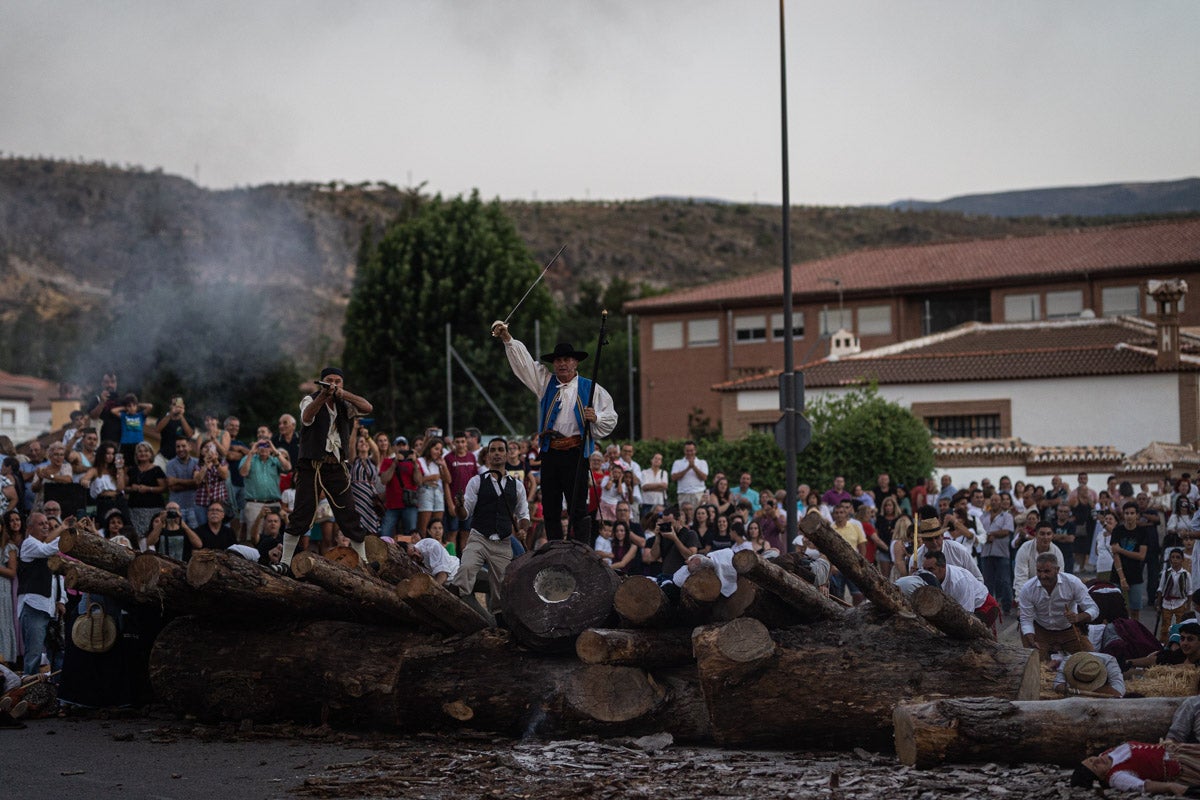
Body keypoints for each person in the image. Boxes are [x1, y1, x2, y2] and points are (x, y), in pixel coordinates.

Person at [492, 323, 617, 544]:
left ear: (576, 362)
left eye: (567, 360)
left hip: (577, 453)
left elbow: (611, 417)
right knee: (550, 505)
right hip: (551, 452)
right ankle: (555, 547)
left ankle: (582, 548)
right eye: (558, 360)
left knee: (578, 506)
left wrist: (595, 418)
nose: (562, 364)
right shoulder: (546, 382)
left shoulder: (591, 388)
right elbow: (525, 366)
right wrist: (508, 338)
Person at [281, 368, 373, 568]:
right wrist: (323, 396)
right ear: (321, 382)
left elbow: (368, 407)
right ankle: (285, 562)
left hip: (336, 466)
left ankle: (364, 562)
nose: (333, 384)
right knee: (302, 513)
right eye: (329, 380)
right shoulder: (310, 399)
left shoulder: (345, 402)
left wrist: (343, 393)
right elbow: (306, 418)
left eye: (337, 381)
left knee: (348, 513)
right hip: (311, 466)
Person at [449, 437, 530, 615]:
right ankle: (450, 605)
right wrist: (459, 506)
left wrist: (523, 529)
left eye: (501, 450)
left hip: (503, 542)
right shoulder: (476, 482)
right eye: (493, 450)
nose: (497, 453)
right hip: (479, 537)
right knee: (466, 568)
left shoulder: (516, 486)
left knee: (501, 590)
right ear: (487, 456)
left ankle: (499, 627)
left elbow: (524, 514)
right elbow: (465, 514)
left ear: (507, 454)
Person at [1018, 553, 1099, 660]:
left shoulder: (1072, 582)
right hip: (1041, 630)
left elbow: (1094, 609)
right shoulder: (1028, 588)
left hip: (1068, 630)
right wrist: (1031, 640)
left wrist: (1078, 617)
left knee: (1090, 661)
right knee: (1034, 664)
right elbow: (1026, 619)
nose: (1042, 576)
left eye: (1047, 571)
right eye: (1039, 571)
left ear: (1057, 570)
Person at [17, 512, 67, 674]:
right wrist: (66, 532)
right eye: (41, 524)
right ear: (30, 528)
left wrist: (61, 600)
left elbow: (56, 578)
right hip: (34, 606)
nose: (46, 526)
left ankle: (54, 690)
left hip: (49, 607)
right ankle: (28, 692)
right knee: (34, 653)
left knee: (56, 650)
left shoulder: (43, 547)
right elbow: (46, 550)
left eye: (47, 523)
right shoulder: (29, 544)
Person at [1072, 741, 1200, 794]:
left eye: (1091, 759)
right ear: (1099, 778)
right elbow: (1144, 786)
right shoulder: (1116, 777)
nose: (1097, 760)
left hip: (1181, 751)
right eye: (1095, 766)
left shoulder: (1104, 755)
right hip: (1184, 767)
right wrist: (1170, 787)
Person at [921, 551, 1000, 633]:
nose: (927, 573)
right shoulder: (926, 576)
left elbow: (966, 616)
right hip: (957, 609)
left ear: (943, 567)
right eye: (925, 569)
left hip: (982, 608)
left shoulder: (960, 581)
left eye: (931, 569)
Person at [1012, 522, 1065, 603]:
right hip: (1029, 591)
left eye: (1048, 534)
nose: (1045, 537)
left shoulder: (1057, 552)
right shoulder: (1024, 549)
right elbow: (1020, 577)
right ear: (1035, 534)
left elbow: (1059, 578)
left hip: (1050, 594)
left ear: (1053, 535)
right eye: (1042, 534)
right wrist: (1020, 602)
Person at [1156, 547, 1192, 644]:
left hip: (1180, 602)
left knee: (1179, 625)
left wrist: (1188, 607)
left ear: (1182, 560)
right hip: (1167, 602)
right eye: (1173, 557)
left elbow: (1189, 592)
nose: (1175, 560)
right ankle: (1164, 643)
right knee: (1165, 625)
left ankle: (1177, 643)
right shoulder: (1166, 573)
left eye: (1178, 557)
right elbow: (1160, 589)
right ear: (1170, 559)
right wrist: (1159, 604)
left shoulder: (1186, 574)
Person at [670, 442, 709, 513]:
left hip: (698, 493)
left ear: (695, 451)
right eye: (687, 451)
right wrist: (688, 468)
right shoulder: (678, 463)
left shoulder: (702, 462)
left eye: (691, 450)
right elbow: (674, 477)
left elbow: (704, 477)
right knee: (684, 516)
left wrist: (694, 467)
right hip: (683, 494)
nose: (689, 453)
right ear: (684, 451)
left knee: (699, 514)